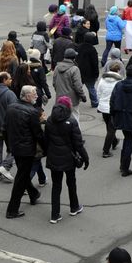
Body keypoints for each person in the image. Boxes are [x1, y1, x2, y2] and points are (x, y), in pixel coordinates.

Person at [44, 96, 87, 224]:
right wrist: (85, 157)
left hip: (53, 157)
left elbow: (45, 139)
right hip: (69, 158)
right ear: (68, 106)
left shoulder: (50, 120)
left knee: (56, 186)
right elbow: (78, 143)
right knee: (71, 182)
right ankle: (74, 207)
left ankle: (54, 214)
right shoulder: (71, 121)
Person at [4, 87, 45, 219]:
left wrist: (9, 146)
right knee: (21, 179)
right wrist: (47, 148)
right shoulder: (32, 112)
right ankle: (12, 210)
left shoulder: (11, 108)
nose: (36, 96)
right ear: (27, 96)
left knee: (23, 173)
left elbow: (5, 128)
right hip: (26, 150)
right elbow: (38, 134)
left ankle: (33, 194)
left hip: (16, 147)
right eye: (34, 94)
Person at [95, 61, 124, 158]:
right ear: (118, 71)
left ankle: (114, 141)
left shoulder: (102, 79)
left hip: (103, 106)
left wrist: (100, 102)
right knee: (111, 129)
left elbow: (98, 92)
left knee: (109, 126)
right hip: (113, 107)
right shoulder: (120, 81)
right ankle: (105, 151)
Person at [51, 48, 86, 114]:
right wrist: (83, 96)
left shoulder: (57, 67)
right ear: (74, 58)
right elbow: (78, 86)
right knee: (74, 117)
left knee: (62, 117)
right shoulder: (74, 69)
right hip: (72, 99)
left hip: (60, 98)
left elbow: (54, 83)